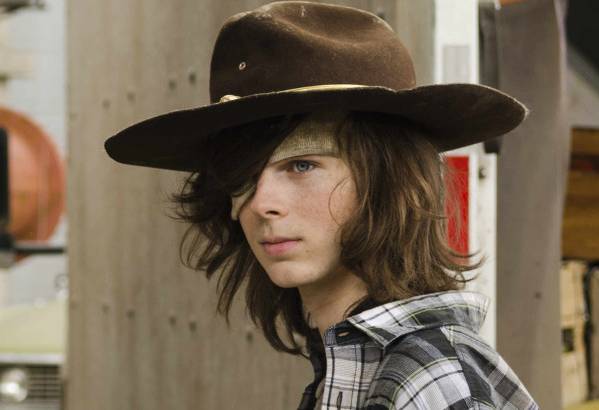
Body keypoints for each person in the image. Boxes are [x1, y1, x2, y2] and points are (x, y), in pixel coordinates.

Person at [104, 2, 539, 409]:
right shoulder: (355, 363)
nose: (262, 203)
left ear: (387, 179)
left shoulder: (431, 380)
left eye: (302, 165)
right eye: (242, 176)